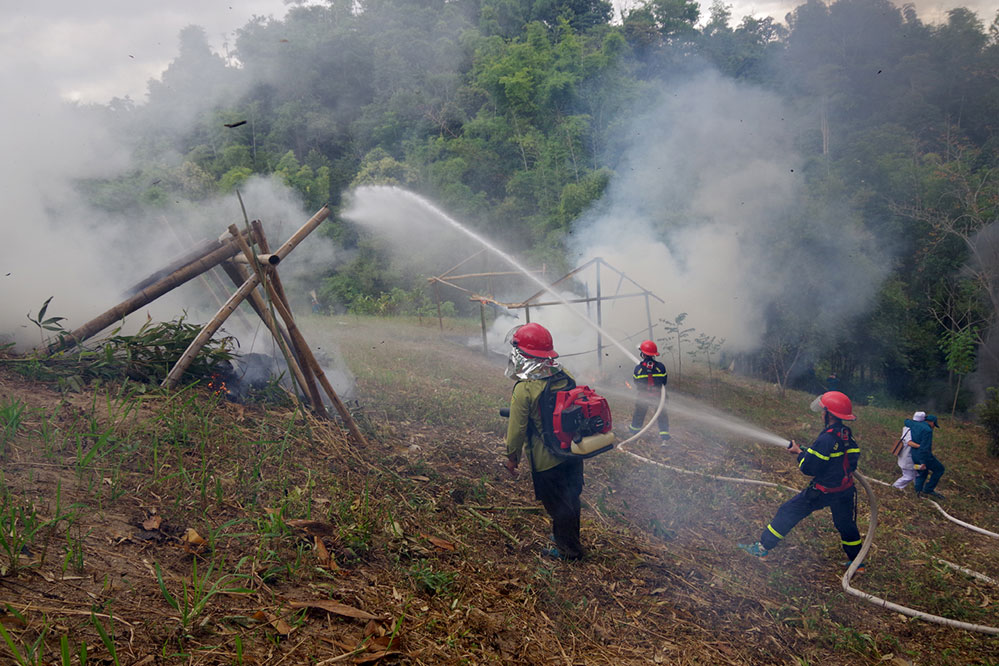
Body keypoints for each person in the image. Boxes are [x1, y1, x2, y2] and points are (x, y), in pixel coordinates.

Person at [738, 391, 864, 571]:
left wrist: (799, 454)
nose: (821, 414)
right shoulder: (846, 435)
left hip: (822, 492)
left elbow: (809, 468)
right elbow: (849, 461)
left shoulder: (827, 438)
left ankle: (762, 548)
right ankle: (858, 563)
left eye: (823, 411)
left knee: (788, 511)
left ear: (828, 414)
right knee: (846, 524)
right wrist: (812, 455)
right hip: (844, 491)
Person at [503, 323, 585, 561]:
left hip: (546, 459)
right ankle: (565, 537)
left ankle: (568, 551)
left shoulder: (525, 388)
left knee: (557, 505)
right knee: (571, 498)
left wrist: (511, 458)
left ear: (523, 354)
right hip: (572, 452)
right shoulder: (565, 374)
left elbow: (516, 430)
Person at [630, 340, 670, 442]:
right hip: (659, 396)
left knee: (639, 414)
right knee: (662, 414)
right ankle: (664, 435)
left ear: (642, 354)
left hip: (644, 396)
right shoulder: (661, 367)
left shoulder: (638, 368)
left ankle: (634, 433)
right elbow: (664, 382)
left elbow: (636, 382)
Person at [912, 413, 945, 499]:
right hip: (924, 456)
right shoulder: (928, 430)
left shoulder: (916, 426)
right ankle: (928, 489)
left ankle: (917, 491)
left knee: (923, 472)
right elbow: (925, 448)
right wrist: (923, 462)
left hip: (914, 454)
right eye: (934, 425)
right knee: (940, 469)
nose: (934, 427)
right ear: (932, 422)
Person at [891, 413, 923, 490]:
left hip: (909, 458)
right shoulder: (910, 430)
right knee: (908, 476)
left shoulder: (908, 428)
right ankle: (895, 487)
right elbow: (909, 442)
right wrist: (921, 446)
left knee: (917, 472)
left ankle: (918, 489)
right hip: (907, 457)